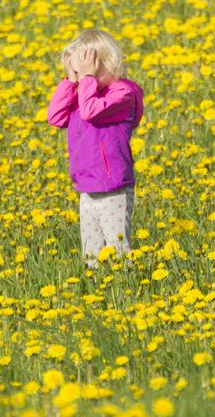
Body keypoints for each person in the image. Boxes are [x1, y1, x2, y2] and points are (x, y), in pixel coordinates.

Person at [47, 29, 143, 268]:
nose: (81, 79)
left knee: (118, 250)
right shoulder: (84, 93)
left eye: (83, 71)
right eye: (77, 73)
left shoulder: (122, 94)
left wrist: (87, 79)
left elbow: (90, 112)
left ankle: (127, 289)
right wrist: (71, 81)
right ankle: (100, 289)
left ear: (102, 63)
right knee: (91, 256)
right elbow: (55, 117)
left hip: (113, 187)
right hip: (87, 186)